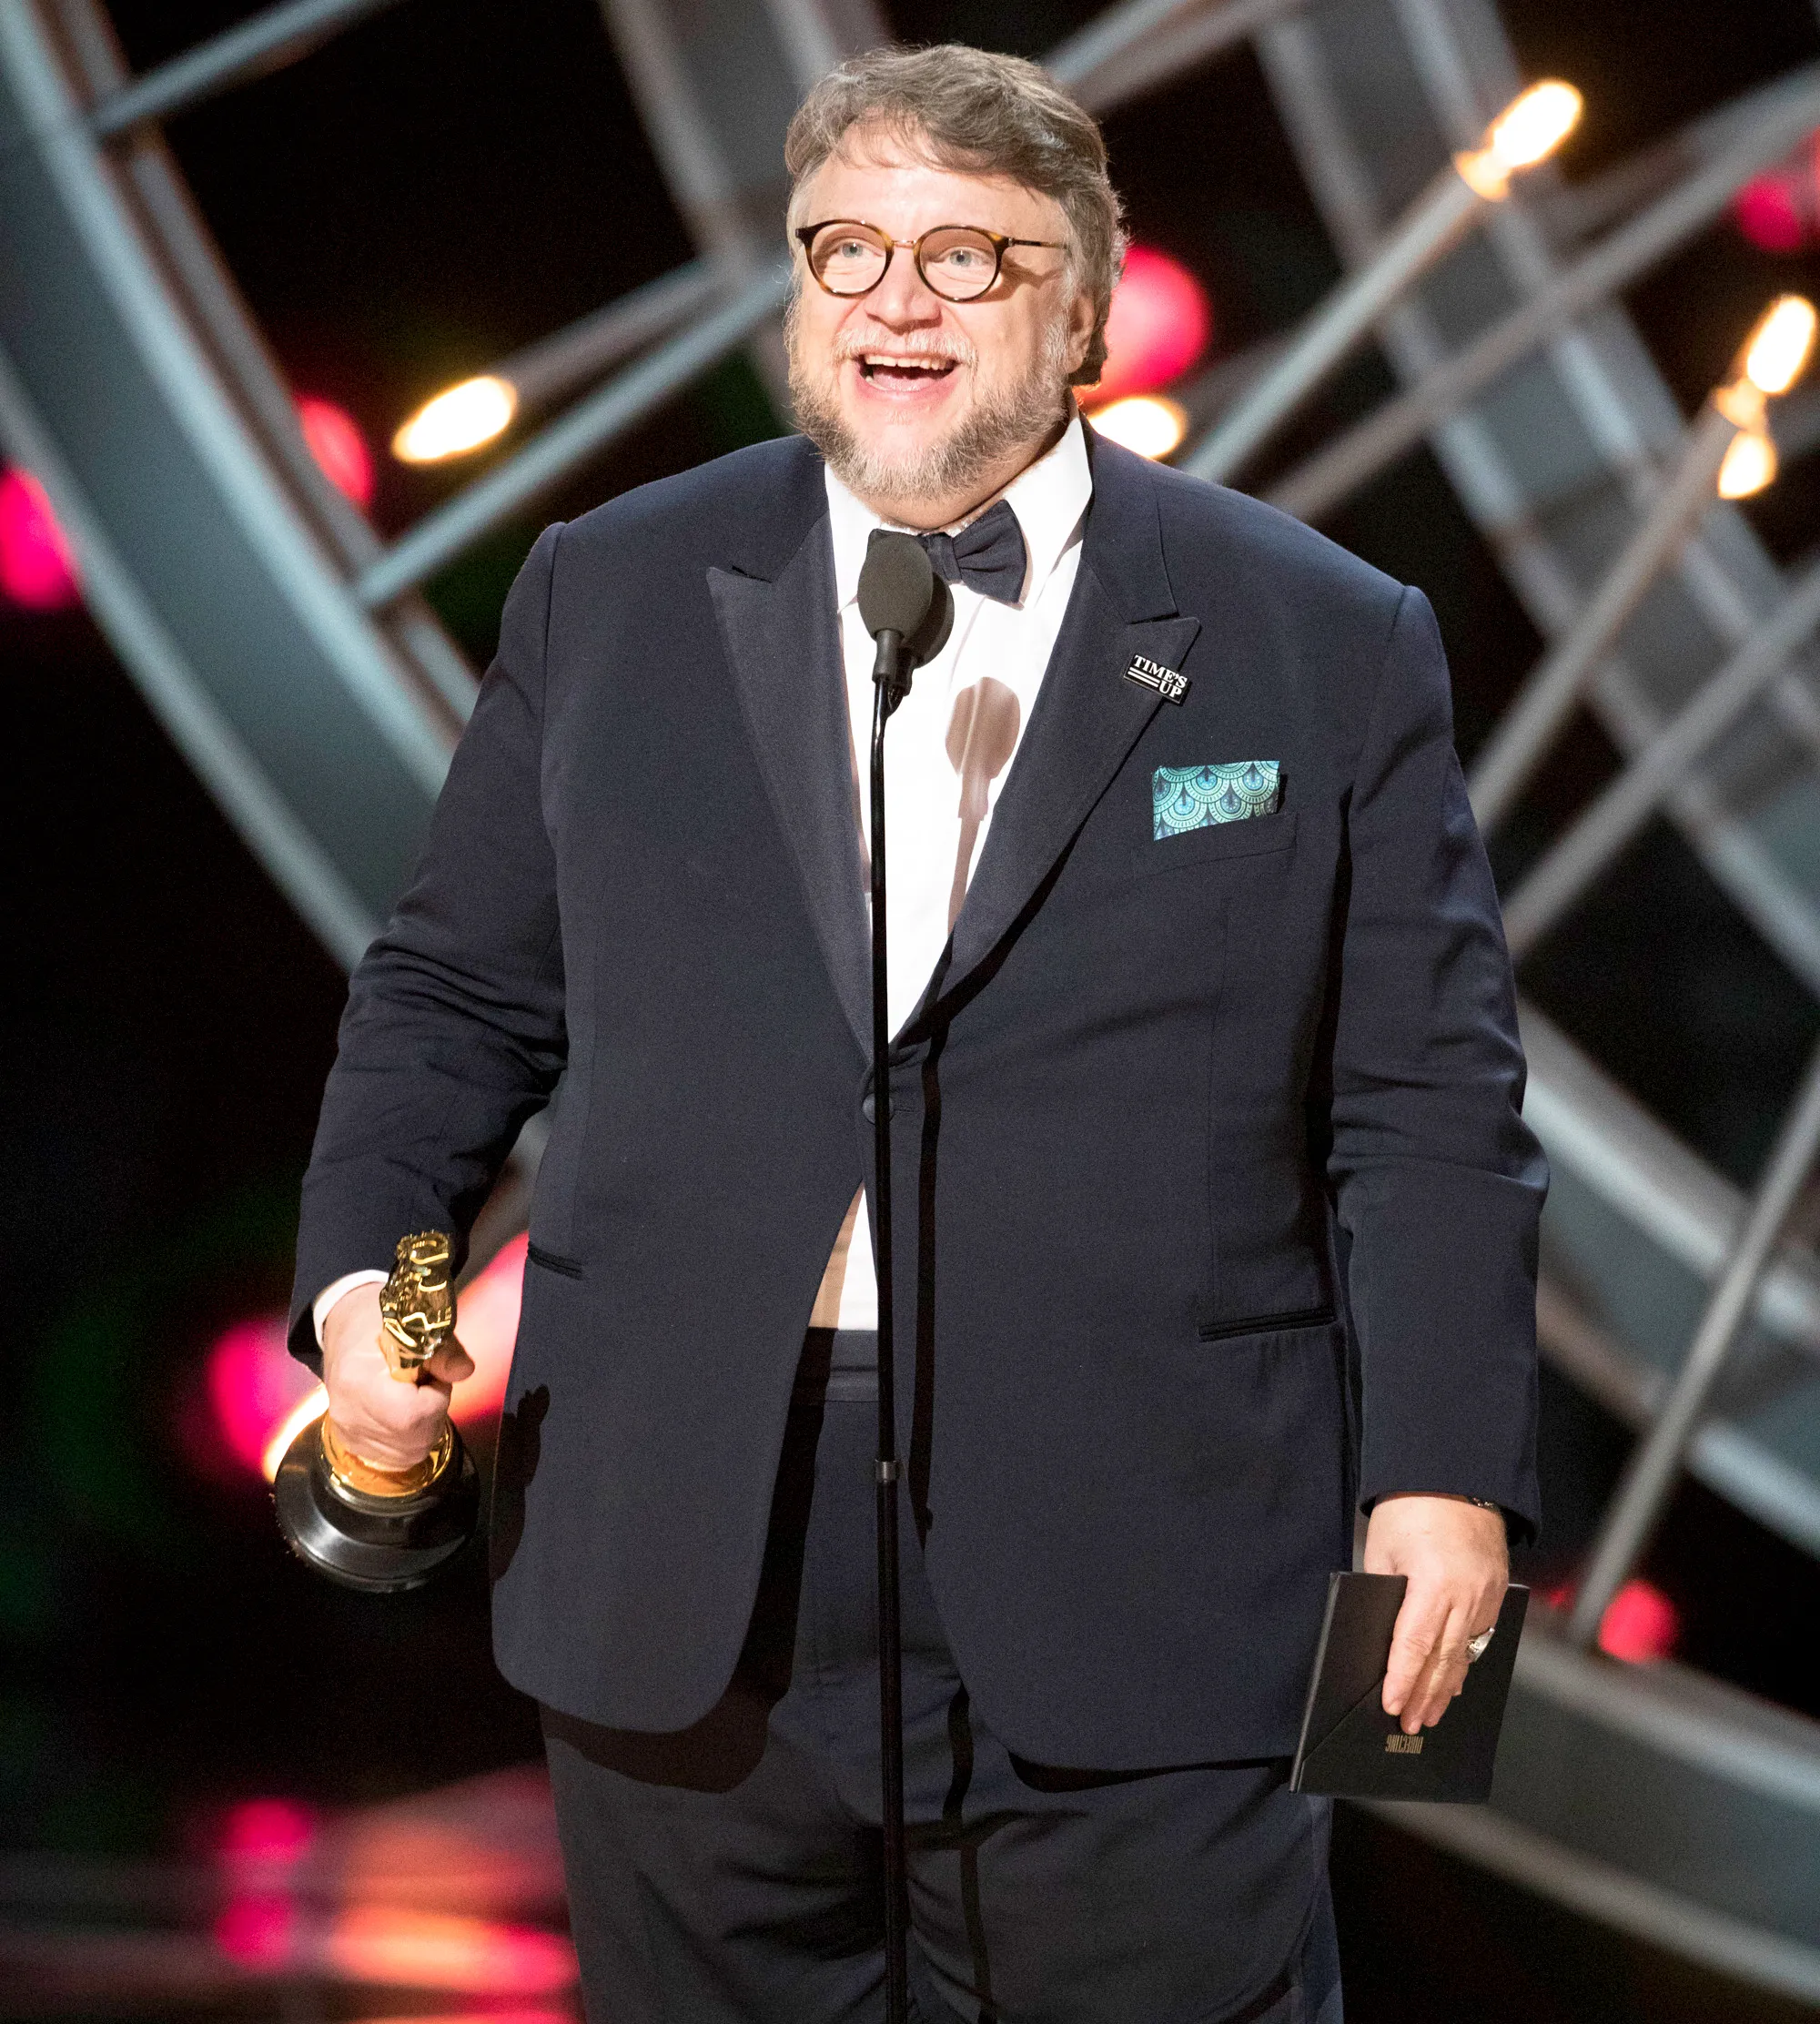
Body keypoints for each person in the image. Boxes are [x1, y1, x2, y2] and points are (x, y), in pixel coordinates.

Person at [291, 43, 1543, 2024]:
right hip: (682, 1546)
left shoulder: (1318, 629)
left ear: (1084, 310)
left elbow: (1427, 1107)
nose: (893, 294)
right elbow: (454, 998)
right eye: (846, 245)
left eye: (967, 254)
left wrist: (1444, 1480)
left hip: (1150, 1556)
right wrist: (382, 1287)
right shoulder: (606, 590)